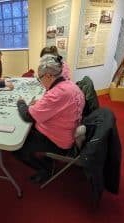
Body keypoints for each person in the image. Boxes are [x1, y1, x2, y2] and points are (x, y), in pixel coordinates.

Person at [14, 54, 85, 183]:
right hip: (67, 133)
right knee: (28, 133)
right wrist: (41, 104)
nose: (40, 82)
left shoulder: (57, 93)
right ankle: (45, 161)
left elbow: (27, 116)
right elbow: (57, 106)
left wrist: (21, 103)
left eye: (39, 78)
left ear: (48, 76)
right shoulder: (70, 85)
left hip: (59, 142)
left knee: (17, 147)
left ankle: (44, 169)